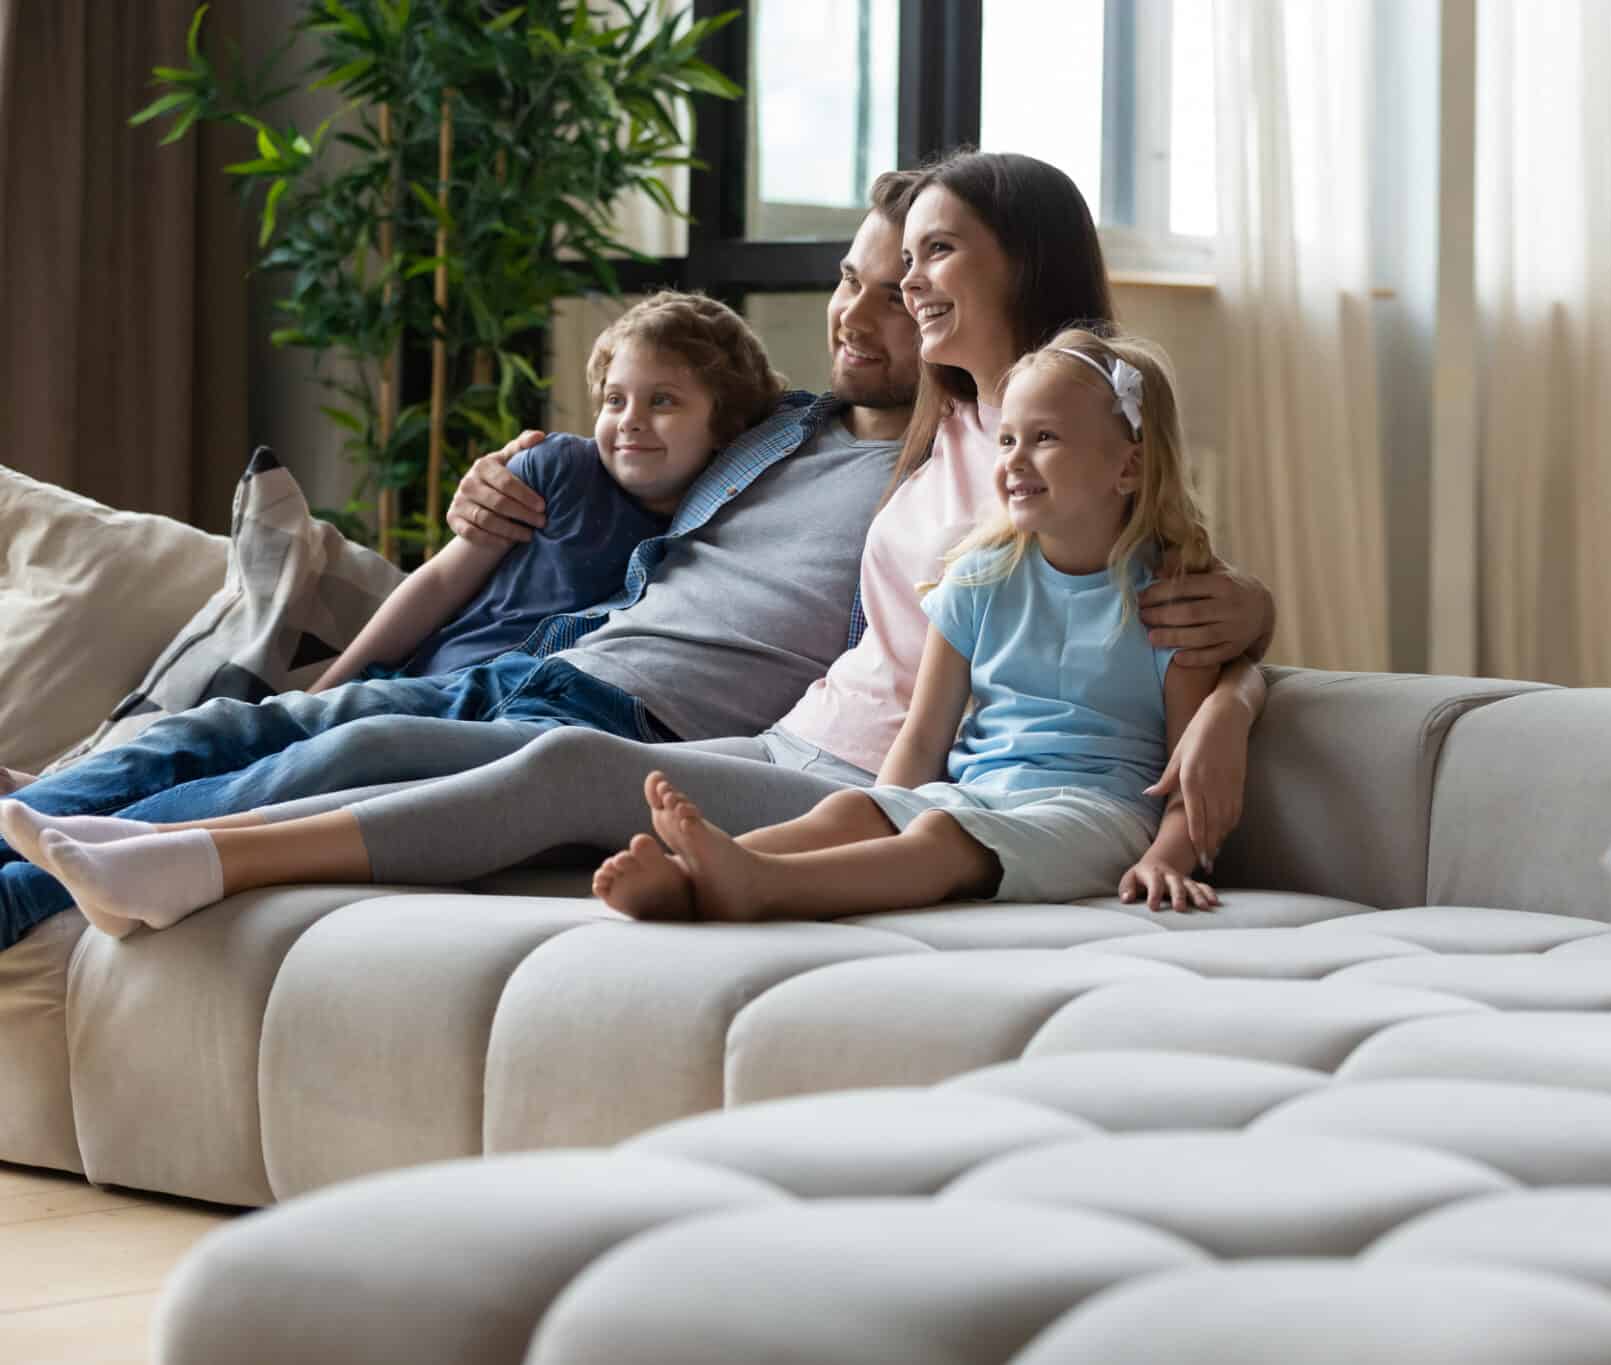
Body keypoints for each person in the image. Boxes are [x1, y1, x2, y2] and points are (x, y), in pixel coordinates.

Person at [3, 152, 1275, 938]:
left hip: (858, 776)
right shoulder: (925, 430)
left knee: (556, 766)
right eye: (895, 267)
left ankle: (176, 861)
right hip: (789, 742)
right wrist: (512, 482)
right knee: (373, 733)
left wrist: (1237, 686)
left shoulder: (1062, 442)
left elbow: (1168, 590)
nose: (899, 292)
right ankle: (110, 849)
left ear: (1025, 264)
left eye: (933, 258)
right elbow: (664, 442)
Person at [0, 177, 925, 948]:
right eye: (851, 278)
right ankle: (36, 817)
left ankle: (27, 887)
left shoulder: (941, 475)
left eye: (899, 294)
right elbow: (644, 443)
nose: (856, 314)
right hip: (550, 665)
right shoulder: (780, 430)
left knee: (325, 757)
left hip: (629, 725)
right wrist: (516, 471)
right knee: (226, 730)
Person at [593, 328, 1243, 922]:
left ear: (1126, 467)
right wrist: (885, 810)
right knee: (856, 806)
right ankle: (688, 879)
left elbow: (1192, 773)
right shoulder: (976, 579)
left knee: (939, 837)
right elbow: (923, 736)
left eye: (1045, 439)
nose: (1014, 460)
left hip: (1095, 815)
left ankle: (759, 883)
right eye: (1008, 438)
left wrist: (1169, 856)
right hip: (977, 795)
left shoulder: (1174, 599)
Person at [312, 290, 779, 691]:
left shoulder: (722, 536)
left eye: (662, 400)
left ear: (727, 424)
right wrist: (324, 689)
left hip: (524, 717)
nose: (629, 420)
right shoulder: (558, 469)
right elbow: (438, 583)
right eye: (615, 400)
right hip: (428, 684)